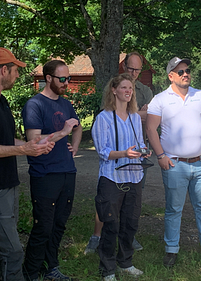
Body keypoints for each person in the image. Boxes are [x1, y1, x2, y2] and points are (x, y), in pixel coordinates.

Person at [0, 47, 55, 281]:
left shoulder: (1, 100)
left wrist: (32, 144)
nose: (18, 76)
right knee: (11, 251)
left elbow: (5, 141)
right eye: (16, 70)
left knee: (2, 250)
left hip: (8, 184)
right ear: (3, 70)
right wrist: (22, 149)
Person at [146, 57, 201, 268]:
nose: (185, 74)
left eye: (187, 70)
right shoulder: (160, 100)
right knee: (173, 209)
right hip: (174, 164)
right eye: (180, 71)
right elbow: (151, 129)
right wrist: (160, 155)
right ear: (170, 76)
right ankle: (171, 250)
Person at [85, 52, 152, 254]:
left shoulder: (146, 91)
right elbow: (104, 149)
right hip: (113, 170)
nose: (133, 73)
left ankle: (127, 246)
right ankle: (98, 238)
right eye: (130, 69)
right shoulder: (104, 116)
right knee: (108, 207)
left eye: (137, 70)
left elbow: (148, 116)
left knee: (130, 210)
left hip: (134, 166)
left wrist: (143, 152)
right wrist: (124, 152)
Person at [22, 59, 82, 281]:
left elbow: (78, 126)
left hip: (67, 170)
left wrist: (74, 144)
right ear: (48, 78)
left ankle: (51, 267)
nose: (67, 82)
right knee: (43, 226)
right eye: (63, 78)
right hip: (44, 173)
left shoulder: (65, 104)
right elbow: (33, 142)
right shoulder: (35, 105)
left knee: (59, 224)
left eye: (69, 78)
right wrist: (62, 132)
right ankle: (30, 271)